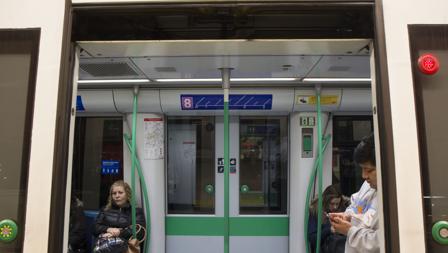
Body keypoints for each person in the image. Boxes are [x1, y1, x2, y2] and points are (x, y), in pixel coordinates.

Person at [329, 134, 380, 253]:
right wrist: (348, 217)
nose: (364, 176)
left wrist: (349, 230)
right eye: (362, 169)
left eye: (369, 170)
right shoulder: (368, 185)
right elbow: (356, 206)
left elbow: (379, 243)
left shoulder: (393, 198)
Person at [308, 184, 348, 253]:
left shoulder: (343, 209)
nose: (335, 207)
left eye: (337, 204)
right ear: (326, 201)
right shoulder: (316, 210)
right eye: (332, 204)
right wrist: (329, 230)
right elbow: (312, 239)